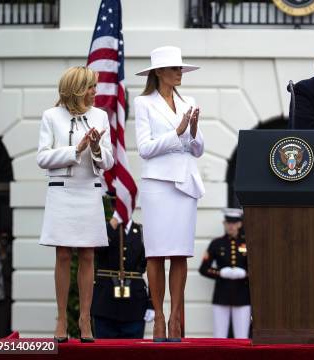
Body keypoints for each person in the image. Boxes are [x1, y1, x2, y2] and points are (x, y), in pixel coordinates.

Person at [37, 66, 114, 343]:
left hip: (89, 191)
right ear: (78, 89)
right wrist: (76, 149)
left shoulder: (101, 116)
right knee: (63, 255)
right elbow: (42, 158)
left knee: (88, 255)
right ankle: (61, 318)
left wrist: (94, 148)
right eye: (92, 87)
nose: (96, 91)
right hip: (62, 192)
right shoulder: (51, 116)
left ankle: (84, 318)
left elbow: (109, 161)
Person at [134, 46, 204, 342]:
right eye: (175, 69)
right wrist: (177, 133)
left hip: (184, 182)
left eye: (180, 68)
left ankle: (176, 318)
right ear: (159, 72)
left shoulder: (189, 101)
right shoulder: (143, 103)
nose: (179, 73)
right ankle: (159, 319)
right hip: (158, 184)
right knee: (156, 253)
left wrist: (194, 130)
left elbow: (198, 149)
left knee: (179, 253)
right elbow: (145, 148)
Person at [91, 195, 154, 338]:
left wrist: (152, 303)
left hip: (135, 304)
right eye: (117, 205)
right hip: (105, 304)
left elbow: (152, 269)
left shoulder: (142, 232)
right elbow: (95, 248)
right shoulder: (104, 230)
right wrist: (113, 224)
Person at [199, 208, 251, 338]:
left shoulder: (249, 243)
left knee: (242, 337)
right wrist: (220, 273)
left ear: (240, 224)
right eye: (228, 222)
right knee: (219, 335)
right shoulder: (216, 243)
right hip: (221, 295)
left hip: (242, 296)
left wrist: (245, 273)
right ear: (224, 223)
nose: (231, 226)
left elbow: (259, 268)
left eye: (234, 223)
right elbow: (203, 268)